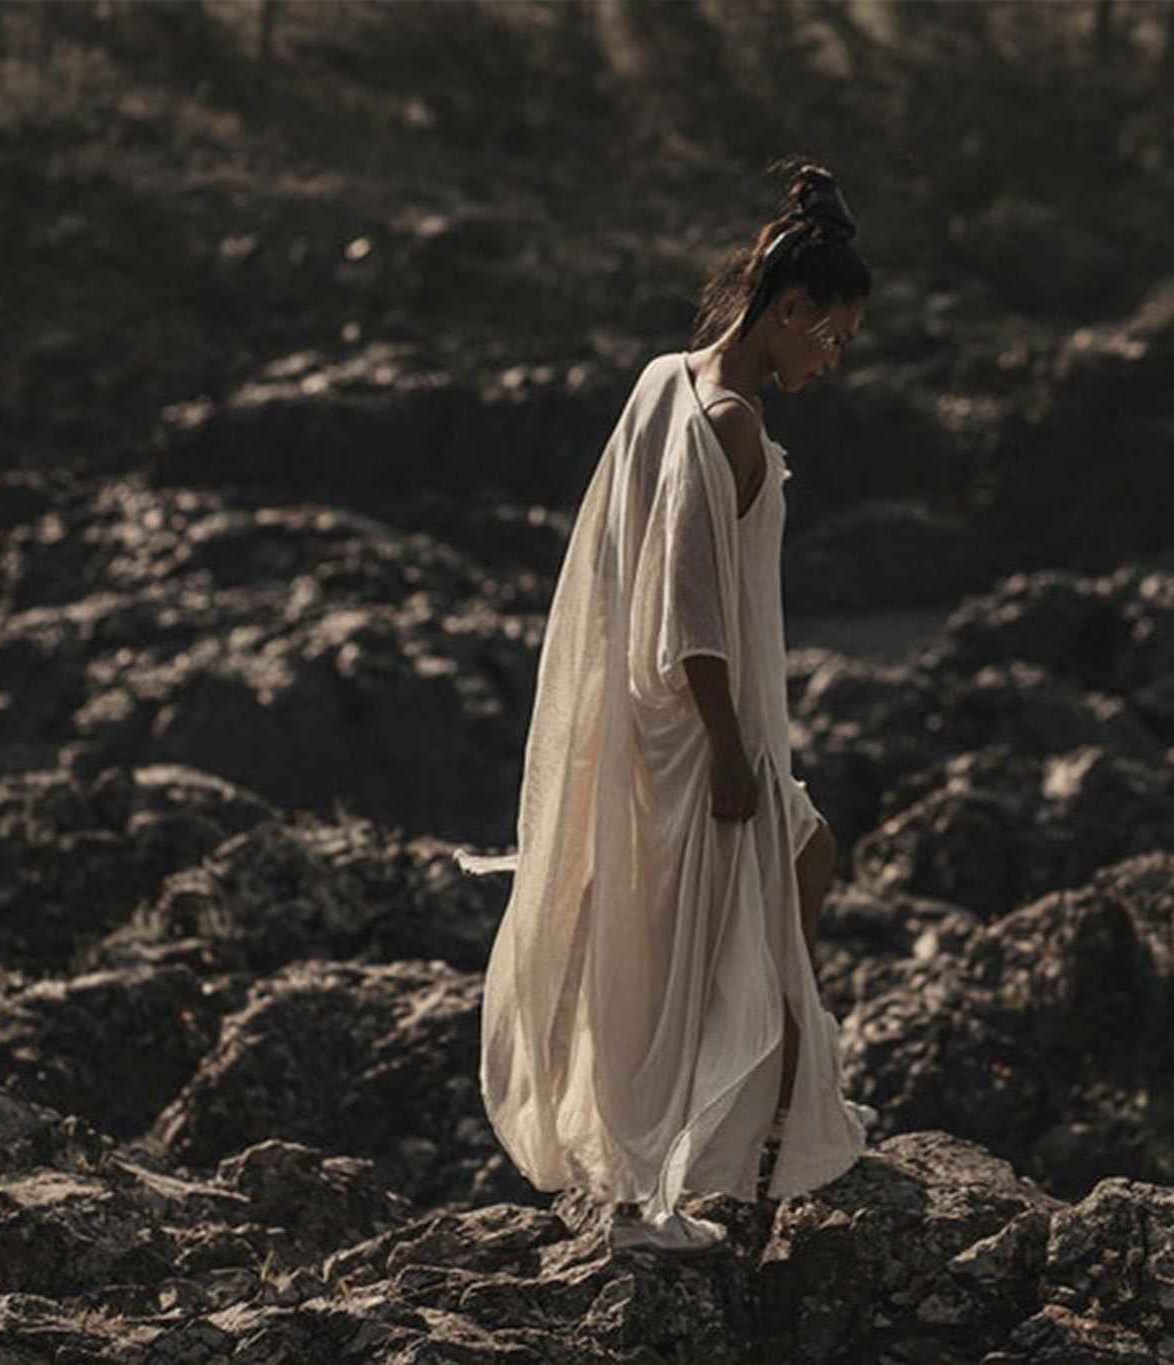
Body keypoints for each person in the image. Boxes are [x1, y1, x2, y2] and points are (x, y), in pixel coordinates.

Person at [454, 157, 875, 1257]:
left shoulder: (662, 378)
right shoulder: (725, 419)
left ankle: (746, 1140)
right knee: (698, 957)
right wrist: (733, 758)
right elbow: (689, 615)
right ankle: (681, 1181)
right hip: (698, 733)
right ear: (788, 310)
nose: (831, 363)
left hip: (657, 723)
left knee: (782, 883)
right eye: (829, 337)